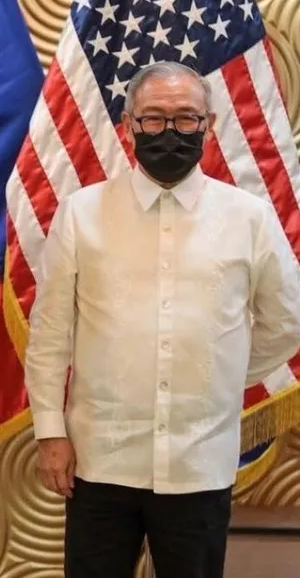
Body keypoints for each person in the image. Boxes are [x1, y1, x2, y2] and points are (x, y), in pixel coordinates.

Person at [24, 61, 300, 578]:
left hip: (200, 460)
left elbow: (287, 322)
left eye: (186, 118)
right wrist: (49, 432)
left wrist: (216, 372)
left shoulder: (249, 218)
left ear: (209, 126)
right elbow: (50, 335)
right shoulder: (81, 213)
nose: (169, 131)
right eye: (153, 118)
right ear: (128, 126)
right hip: (100, 460)